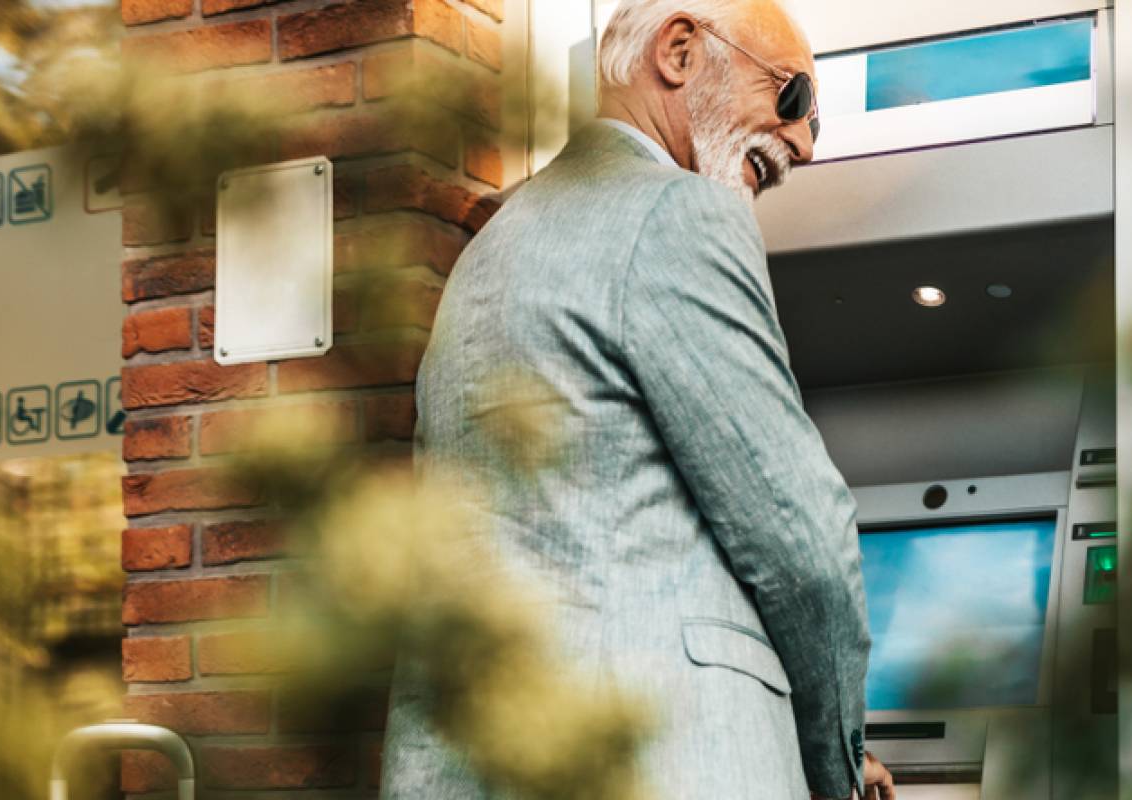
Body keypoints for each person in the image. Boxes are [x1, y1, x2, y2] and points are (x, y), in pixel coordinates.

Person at [380, 0, 896, 798]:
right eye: (792, 98)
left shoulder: (489, 249)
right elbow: (803, 543)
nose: (801, 142)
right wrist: (837, 764)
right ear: (680, 51)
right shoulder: (679, 213)